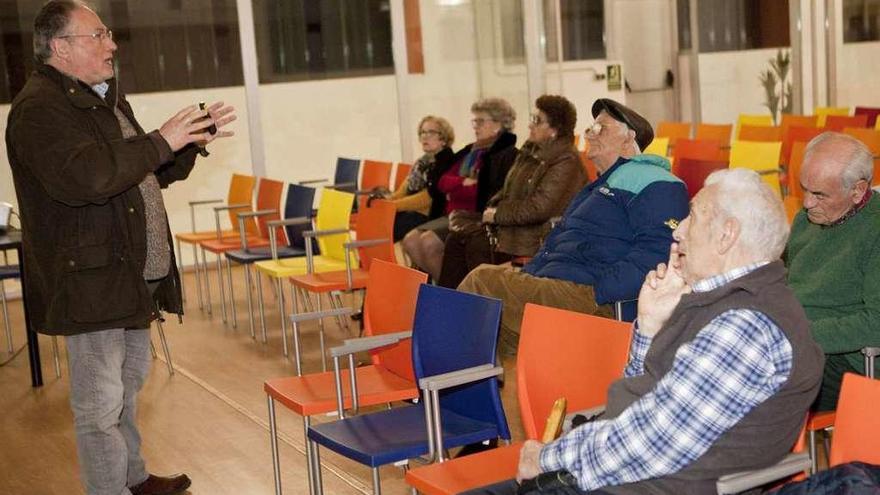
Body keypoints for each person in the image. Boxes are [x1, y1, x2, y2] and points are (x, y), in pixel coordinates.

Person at [467, 169, 824, 495]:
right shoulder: (718, 301)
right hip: (629, 476)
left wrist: (548, 457)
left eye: (693, 216)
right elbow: (644, 402)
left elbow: (651, 440)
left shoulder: (746, 325)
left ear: (727, 235)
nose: (678, 230)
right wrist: (650, 330)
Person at [5, 2, 236, 494]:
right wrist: (159, 140)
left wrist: (187, 141)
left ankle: (132, 477)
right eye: (97, 36)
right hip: (91, 280)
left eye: (108, 34)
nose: (111, 45)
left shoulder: (101, 99)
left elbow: (142, 172)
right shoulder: (40, 110)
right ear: (61, 47)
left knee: (127, 386)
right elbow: (87, 178)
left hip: (127, 273)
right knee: (98, 404)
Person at [458, 99, 688, 355]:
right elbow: (557, 242)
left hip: (590, 297)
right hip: (557, 286)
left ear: (628, 139)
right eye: (590, 127)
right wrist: (530, 275)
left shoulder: (658, 182)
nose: (589, 134)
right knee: (492, 330)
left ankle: (436, 379)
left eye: (600, 128)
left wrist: (599, 291)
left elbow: (657, 253)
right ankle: (465, 387)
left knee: (482, 282)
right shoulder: (597, 187)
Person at [437, 95, 586, 289]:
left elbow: (538, 209)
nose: (530, 125)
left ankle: (482, 309)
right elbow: (506, 190)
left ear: (554, 130)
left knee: (474, 244)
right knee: (457, 239)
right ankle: (449, 308)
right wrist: (492, 208)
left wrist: (497, 214)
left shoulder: (566, 161)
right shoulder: (530, 152)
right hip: (514, 227)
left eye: (536, 120)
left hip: (537, 235)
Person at [785, 132, 880, 411]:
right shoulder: (807, 219)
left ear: (858, 191)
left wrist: (797, 333)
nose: (806, 203)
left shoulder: (876, 230)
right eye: (804, 189)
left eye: (819, 194)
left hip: (850, 360)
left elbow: (876, 324)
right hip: (801, 340)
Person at [402, 97, 518, 281]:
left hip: (473, 216)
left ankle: (453, 291)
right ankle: (449, 289)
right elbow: (443, 182)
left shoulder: (505, 155)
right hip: (452, 213)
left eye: (480, 121)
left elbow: (482, 194)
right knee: (410, 241)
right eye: (475, 121)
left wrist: (458, 188)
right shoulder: (471, 151)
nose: (475, 126)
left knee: (428, 243)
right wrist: (462, 183)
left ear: (498, 124)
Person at [383, 116, 456, 242]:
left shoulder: (447, 162)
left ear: (443, 139)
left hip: (432, 213)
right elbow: (403, 190)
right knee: (379, 220)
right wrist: (386, 202)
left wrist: (393, 206)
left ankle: (380, 260)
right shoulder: (421, 162)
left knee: (386, 228)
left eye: (431, 132)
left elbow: (427, 199)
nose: (425, 136)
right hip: (413, 211)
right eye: (422, 132)